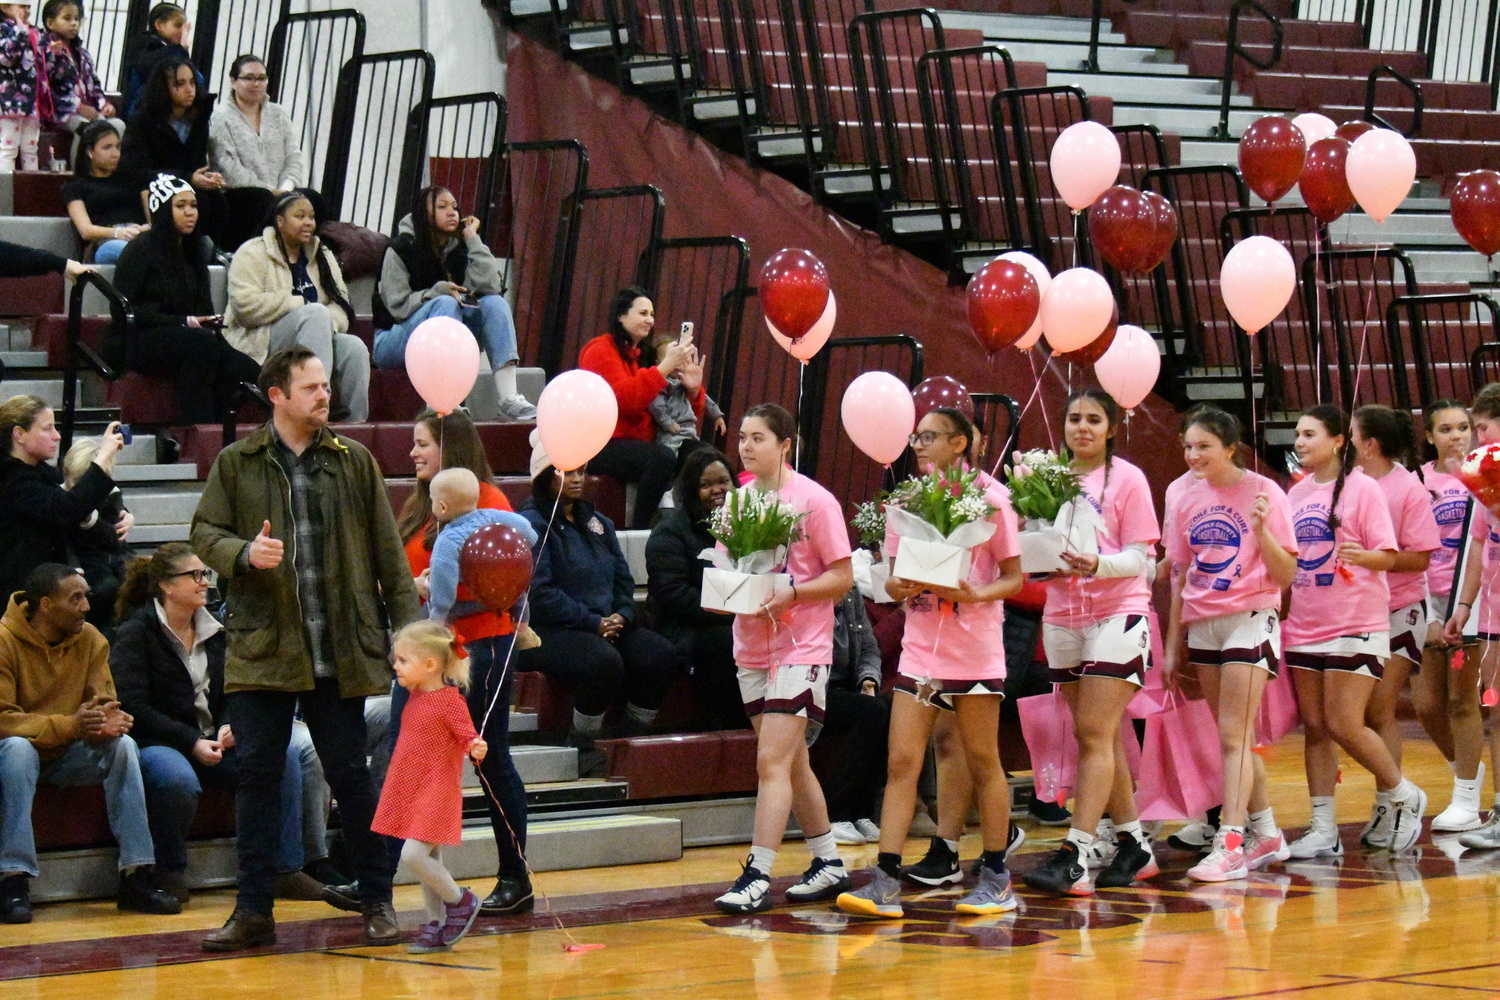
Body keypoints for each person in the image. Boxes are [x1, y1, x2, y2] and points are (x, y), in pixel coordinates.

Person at [190, 346, 422, 950]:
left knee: (351, 776)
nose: (325, 394)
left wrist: (414, 638)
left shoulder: (355, 460)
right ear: (277, 396)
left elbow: (389, 558)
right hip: (262, 650)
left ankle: (377, 900)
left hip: (339, 648)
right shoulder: (236, 463)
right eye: (312, 387)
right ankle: (253, 912)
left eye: (325, 386)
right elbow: (204, 532)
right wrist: (242, 554)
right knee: (260, 780)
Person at [838, 406, 1022, 918]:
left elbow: (1015, 577)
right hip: (921, 651)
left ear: (960, 444)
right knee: (902, 761)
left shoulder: (990, 498)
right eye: (915, 437)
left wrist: (975, 592)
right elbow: (892, 580)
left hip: (975, 651)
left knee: (983, 760)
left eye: (929, 437)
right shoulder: (907, 502)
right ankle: (885, 879)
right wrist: (899, 583)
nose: (917, 445)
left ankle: (995, 875)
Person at [108, 544, 355, 909]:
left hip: (216, 741)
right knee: (176, 779)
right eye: (194, 575)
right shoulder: (136, 632)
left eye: (205, 574)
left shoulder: (218, 629)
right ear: (166, 586)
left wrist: (231, 724)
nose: (204, 581)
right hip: (161, 741)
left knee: (282, 756)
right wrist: (191, 740)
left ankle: (282, 869)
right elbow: (133, 704)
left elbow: (238, 687)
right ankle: (169, 870)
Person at [390, 408, 534, 915]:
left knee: (490, 758)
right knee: (402, 758)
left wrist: (441, 597)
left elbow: (507, 580)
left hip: (479, 648)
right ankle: (382, 875)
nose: (413, 453)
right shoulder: (423, 506)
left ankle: (516, 877)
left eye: (423, 443)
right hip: (427, 655)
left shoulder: (486, 504)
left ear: (451, 450)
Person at [713, 403, 852, 915]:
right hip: (750, 644)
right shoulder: (737, 502)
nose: (746, 446)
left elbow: (843, 577)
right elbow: (729, 571)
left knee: (771, 760)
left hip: (802, 646)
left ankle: (757, 874)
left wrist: (793, 593)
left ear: (785, 444)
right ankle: (829, 861)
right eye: (743, 437)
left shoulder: (814, 500)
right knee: (793, 762)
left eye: (758, 438)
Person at [1026, 389, 1160, 896]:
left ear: (1110, 428)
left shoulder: (1127, 478)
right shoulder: (1047, 479)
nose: (1083, 427)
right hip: (1062, 615)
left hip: (1118, 613)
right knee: (1098, 737)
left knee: (1092, 731)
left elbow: (1139, 558)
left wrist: (1096, 565)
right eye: (1075, 418)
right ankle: (1133, 844)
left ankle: (1077, 852)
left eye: (1094, 419)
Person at [1281, 405, 1426, 858]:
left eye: (1310, 434)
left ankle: (1403, 793)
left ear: (1338, 440)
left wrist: (1365, 557)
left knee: (1346, 721)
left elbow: (1389, 554)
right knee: (1317, 727)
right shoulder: (1296, 494)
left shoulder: (1364, 489)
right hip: (1305, 622)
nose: (1301, 442)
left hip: (1355, 622)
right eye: (1298, 435)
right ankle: (1323, 827)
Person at [0, 563, 180, 923]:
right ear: (47, 605)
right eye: (76, 598)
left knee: (124, 747)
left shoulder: (92, 639)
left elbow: (101, 703)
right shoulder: (3, 641)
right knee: (18, 751)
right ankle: (12, 879)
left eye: (86, 597)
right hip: (17, 751)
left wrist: (105, 723)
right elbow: (4, 721)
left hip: (69, 749)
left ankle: (137, 875)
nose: (86, 606)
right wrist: (71, 725)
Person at [1162, 405, 1295, 883]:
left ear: (1231, 448)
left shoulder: (1264, 492)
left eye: (1204, 447)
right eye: (1188, 446)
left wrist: (1262, 533)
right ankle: (1267, 832)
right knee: (1233, 736)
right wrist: (1172, 646)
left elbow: (1288, 574)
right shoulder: (1180, 494)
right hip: (1204, 622)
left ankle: (1231, 842)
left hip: (1251, 616)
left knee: (1234, 736)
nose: (1193, 455)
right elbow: (1179, 574)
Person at [514, 438, 682, 774]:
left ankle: (628, 737)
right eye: (566, 472)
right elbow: (539, 595)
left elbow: (623, 579)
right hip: (548, 632)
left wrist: (624, 613)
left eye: (581, 471)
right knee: (601, 661)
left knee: (660, 655)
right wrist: (593, 622)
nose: (577, 478)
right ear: (544, 476)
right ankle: (582, 743)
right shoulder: (531, 525)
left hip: (605, 624)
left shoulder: (598, 522)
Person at [1351, 404, 1443, 845]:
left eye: (1350, 433)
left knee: (1378, 708)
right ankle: (1392, 798)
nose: (1343, 440)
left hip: (1401, 609)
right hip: (1354, 610)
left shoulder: (1407, 488)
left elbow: (1421, 557)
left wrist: (1375, 560)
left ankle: (1396, 802)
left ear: (1370, 443)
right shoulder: (1346, 485)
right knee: (1354, 713)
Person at [373, 185, 535, 420]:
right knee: (446, 304)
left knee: (495, 304)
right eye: (442, 207)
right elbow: (398, 308)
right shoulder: (400, 248)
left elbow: (491, 286)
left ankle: (509, 398)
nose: (452, 212)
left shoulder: (459, 246)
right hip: (392, 339)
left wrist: (473, 241)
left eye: (455, 207)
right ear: (423, 213)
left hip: (448, 332)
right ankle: (442, 399)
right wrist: (437, 292)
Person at [372, 621, 487, 953]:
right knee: (430, 860)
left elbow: (469, 737)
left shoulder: (449, 701)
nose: (395, 666)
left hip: (437, 792)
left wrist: (477, 747)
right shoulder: (413, 695)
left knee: (413, 854)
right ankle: (436, 924)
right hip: (413, 788)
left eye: (403, 661)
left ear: (430, 665)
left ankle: (461, 901)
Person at [112, 173, 260, 424]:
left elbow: (203, 307)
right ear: (161, 210)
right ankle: (196, 431)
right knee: (199, 346)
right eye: (180, 206)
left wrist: (209, 325)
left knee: (247, 368)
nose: (190, 212)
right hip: (136, 338)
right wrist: (184, 321)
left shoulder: (196, 251)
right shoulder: (139, 250)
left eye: (193, 206)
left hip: (189, 336)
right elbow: (124, 313)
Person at [224, 189, 369, 422]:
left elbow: (343, 304)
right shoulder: (252, 252)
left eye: (311, 217)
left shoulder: (322, 254)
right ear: (279, 221)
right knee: (314, 311)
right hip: (260, 340)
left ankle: (356, 425)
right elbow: (244, 307)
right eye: (299, 216)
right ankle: (321, 400)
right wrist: (299, 304)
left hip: (311, 335)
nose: (308, 222)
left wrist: (323, 325)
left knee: (354, 347)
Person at [1418, 400, 1489, 834]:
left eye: (1464, 427)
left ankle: (1466, 798)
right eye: (1445, 429)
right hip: (1430, 600)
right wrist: (1427, 614)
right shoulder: (1417, 481)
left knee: (1463, 701)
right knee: (1427, 704)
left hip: (1473, 598)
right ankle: (1468, 772)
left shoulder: (1485, 478)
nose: (1457, 436)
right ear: (1429, 437)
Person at [579, 286, 701, 528]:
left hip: (639, 443)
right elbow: (624, 402)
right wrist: (664, 368)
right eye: (643, 313)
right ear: (621, 316)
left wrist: (694, 391)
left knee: (700, 455)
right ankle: (640, 531)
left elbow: (679, 418)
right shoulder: (600, 350)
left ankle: (696, 528)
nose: (650, 320)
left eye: (652, 314)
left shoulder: (638, 356)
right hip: (601, 444)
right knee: (662, 458)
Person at [645, 446, 744, 730]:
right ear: (690, 489)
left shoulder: (744, 527)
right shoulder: (670, 532)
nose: (718, 490)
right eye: (706, 484)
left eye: (723, 482)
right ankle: (730, 727)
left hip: (734, 619)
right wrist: (733, 612)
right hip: (684, 630)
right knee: (727, 641)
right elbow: (674, 596)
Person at [0, 396, 128, 601]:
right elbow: (67, 509)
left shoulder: (41, 471)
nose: (57, 436)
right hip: (19, 595)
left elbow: (78, 491)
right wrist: (102, 456)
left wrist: (123, 514)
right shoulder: (11, 479)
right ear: (19, 434)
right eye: (47, 428)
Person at [1445, 383, 1500, 850]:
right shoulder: (1483, 479)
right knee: (1496, 712)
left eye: (1482, 426)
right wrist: (1464, 605)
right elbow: (1479, 546)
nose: (1475, 436)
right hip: (1494, 614)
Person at [121, 57, 227, 247]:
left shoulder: (198, 119)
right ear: (163, 89)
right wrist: (188, 178)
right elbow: (137, 172)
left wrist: (206, 177)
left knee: (221, 200)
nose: (190, 89)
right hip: (152, 189)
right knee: (197, 201)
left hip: (188, 185)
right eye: (180, 84)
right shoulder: (142, 121)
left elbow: (196, 165)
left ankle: (217, 254)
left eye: (192, 82)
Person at [208, 54, 307, 252]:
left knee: (311, 199)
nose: (256, 84)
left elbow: (293, 157)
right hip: (242, 194)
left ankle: (305, 262)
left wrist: (286, 188)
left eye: (261, 78)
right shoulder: (221, 116)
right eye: (249, 78)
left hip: (279, 192)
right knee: (262, 199)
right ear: (234, 81)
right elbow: (227, 168)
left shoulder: (278, 114)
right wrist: (271, 191)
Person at [823, 585, 889, 846]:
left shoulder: (851, 593)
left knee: (887, 708)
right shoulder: (808, 596)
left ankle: (863, 813)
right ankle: (835, 812)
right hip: (811, 688)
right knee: (871, 712)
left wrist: (868, 679)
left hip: (846, 688)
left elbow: (870, 649)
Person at [61, 436, 131, 632]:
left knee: (138, 581)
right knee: (106, 589)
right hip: (82, 562)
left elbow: (115, 539)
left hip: (109, 556)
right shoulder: (60, 500)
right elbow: (63, 540)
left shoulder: (110, 494)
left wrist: (94, 521)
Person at [64, 120, 150, 264]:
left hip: (141, 237)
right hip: (106, 242)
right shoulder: (76, 187)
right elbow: (86, 230)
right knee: (133, 252)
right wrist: (118, 232)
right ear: (90, 151)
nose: (115, 154)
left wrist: (143, 229)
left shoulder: (135, 179)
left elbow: (153, 219)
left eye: (117, 147)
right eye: (107, 147)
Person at [41, 1, 122, 136]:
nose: (74, 23)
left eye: (76, 19)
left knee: (118, 125)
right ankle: (82, 158)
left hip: (88, 110)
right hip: (59, 112)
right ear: (50, 23)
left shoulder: (83, 54)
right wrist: (77, 107)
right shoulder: (45, 52)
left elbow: (95, 86)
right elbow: (46, 89)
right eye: (67, 18)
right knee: (87, 128)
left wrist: (104, 105)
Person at [0, 1, 49, 172]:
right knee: (8, 147)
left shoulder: (33, 30)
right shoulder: (4, 30)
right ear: (4, 7)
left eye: (28, 7)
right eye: (22, 6)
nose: (26, 11)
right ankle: (4, 193)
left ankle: (30, 191)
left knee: (30, 148)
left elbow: (40, 61)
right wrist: (20, 30)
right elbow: (7, 57)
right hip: (9, 100)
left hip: (31, 100)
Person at [120, 2, 190, 120]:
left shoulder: (177, 50)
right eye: (178, 26)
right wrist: (178, 49)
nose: (182, 32)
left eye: (185, 27)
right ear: (159, 25)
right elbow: (151, 68)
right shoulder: (143, 44)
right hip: (139, 111)